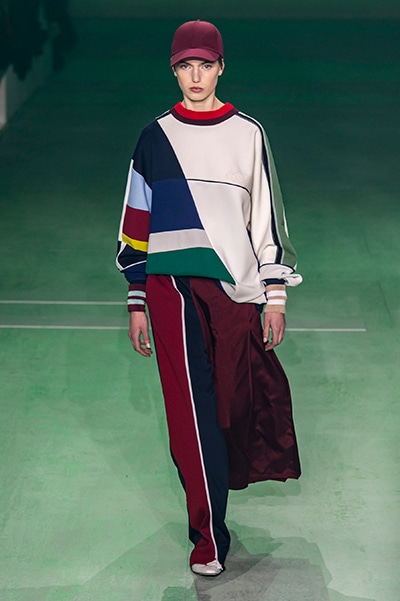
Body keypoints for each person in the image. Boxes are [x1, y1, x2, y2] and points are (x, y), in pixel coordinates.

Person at [116, 20, 302, 577]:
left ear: (221, 68)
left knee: (234, 408)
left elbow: (265, 217)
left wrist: (274, 294)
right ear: (173, 71)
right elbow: (135, 222)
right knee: (190, 415)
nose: (195, 76)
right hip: (170, 288)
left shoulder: (248, 134)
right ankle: (207, 536)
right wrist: (136, 297)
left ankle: (217, 504)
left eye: (205, 65)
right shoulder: (155, 137)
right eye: (185, 66)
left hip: (234, 290)